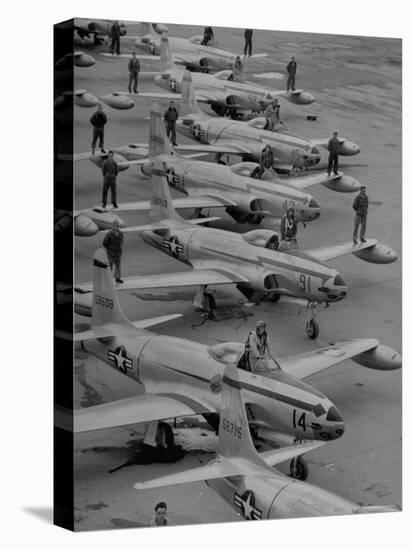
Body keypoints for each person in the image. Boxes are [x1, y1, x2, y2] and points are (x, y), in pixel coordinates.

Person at [103, 219, 124, 283]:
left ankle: (117, 278)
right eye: (115, 225)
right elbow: (104, 242)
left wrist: (119, 249)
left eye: (117, 225)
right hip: (111, 252)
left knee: (118, 266)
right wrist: (109, 248)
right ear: (112, 226)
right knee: (109, 266)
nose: (116, 227)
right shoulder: (109, 234)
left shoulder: (121, 233)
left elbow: (121, 242)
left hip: (118, 252)